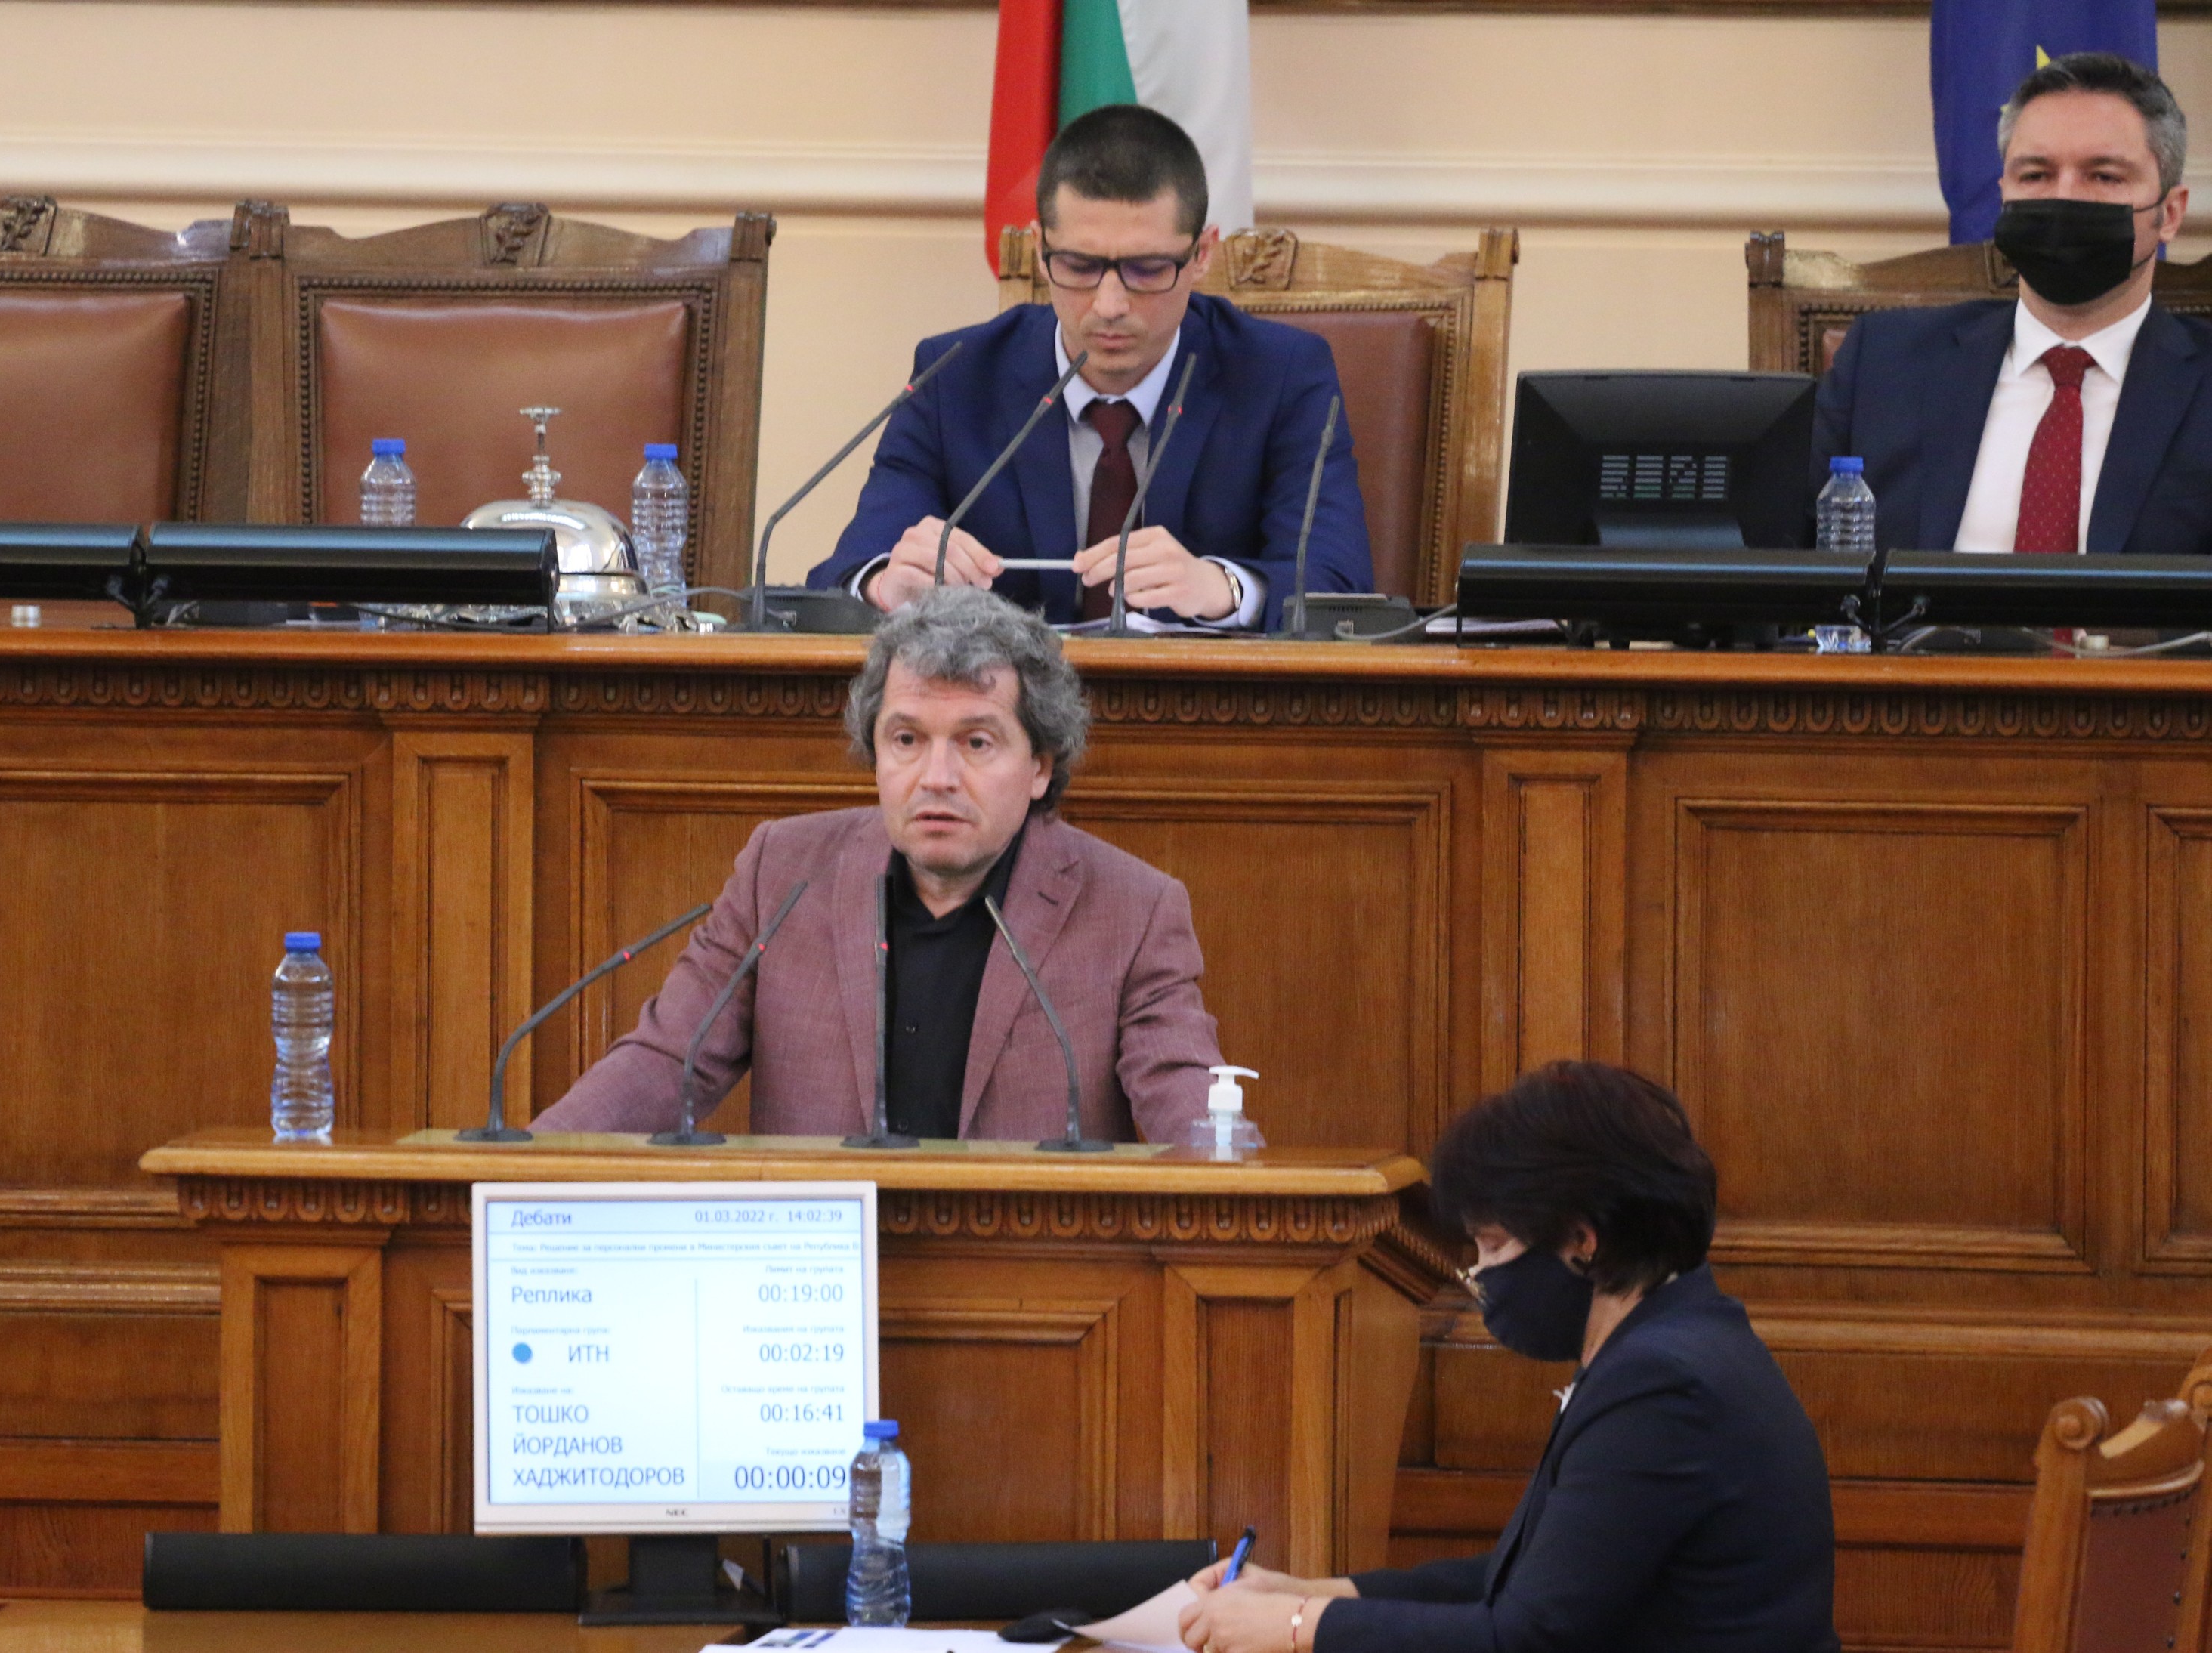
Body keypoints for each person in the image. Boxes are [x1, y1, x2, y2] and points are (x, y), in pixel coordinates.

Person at [1178, 1061, 1837, 1653]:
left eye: (1493, 1246)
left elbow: (1527, 1635)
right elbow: (1523, 1581)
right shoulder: (1676, 1339)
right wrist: (1309, 1593)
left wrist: (1298, 1628)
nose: (1478, 1273)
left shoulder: (1661, 1384)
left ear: (1581, 1241)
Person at [533, 586, 1224, 1140]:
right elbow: (665, 1063)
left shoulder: (1131, 909)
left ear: (1039, 767)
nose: (936, 778)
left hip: (1027, 1265)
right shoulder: (782, 872)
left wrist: (1224, 1174)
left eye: (976, 743)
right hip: (819, 1262)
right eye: (907, 740)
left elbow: (1184, 1096)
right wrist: (519, 1171)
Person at [808, 103, 1370, 631]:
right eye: (1078, 266)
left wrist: (1224, 588)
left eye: (1147, 269)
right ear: (1039, 249)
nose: (1109, 305)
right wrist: (885, 585)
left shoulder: (1281, 376)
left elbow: (1339, 588)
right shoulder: (954, 377)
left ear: (1201, 255)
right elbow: (842, 578)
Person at [1815, 51, 2212, 557]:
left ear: (2170, 213)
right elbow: (1788, 559)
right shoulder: (1883, 363)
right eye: (2035, 175)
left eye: (2104, 176)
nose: (2064, 197)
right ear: (2004, 194)